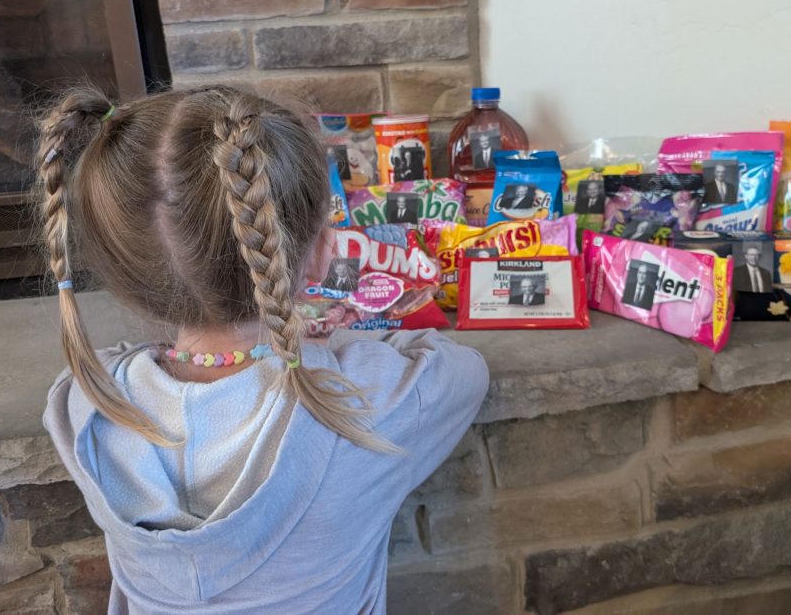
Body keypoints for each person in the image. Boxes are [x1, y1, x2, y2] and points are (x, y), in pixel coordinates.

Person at [37, 86, 488, 613]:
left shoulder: (84, 406)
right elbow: (464, 368)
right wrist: (327, 339)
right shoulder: (367, 398)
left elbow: (126, 357)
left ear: (124, 282)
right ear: (322, 253)